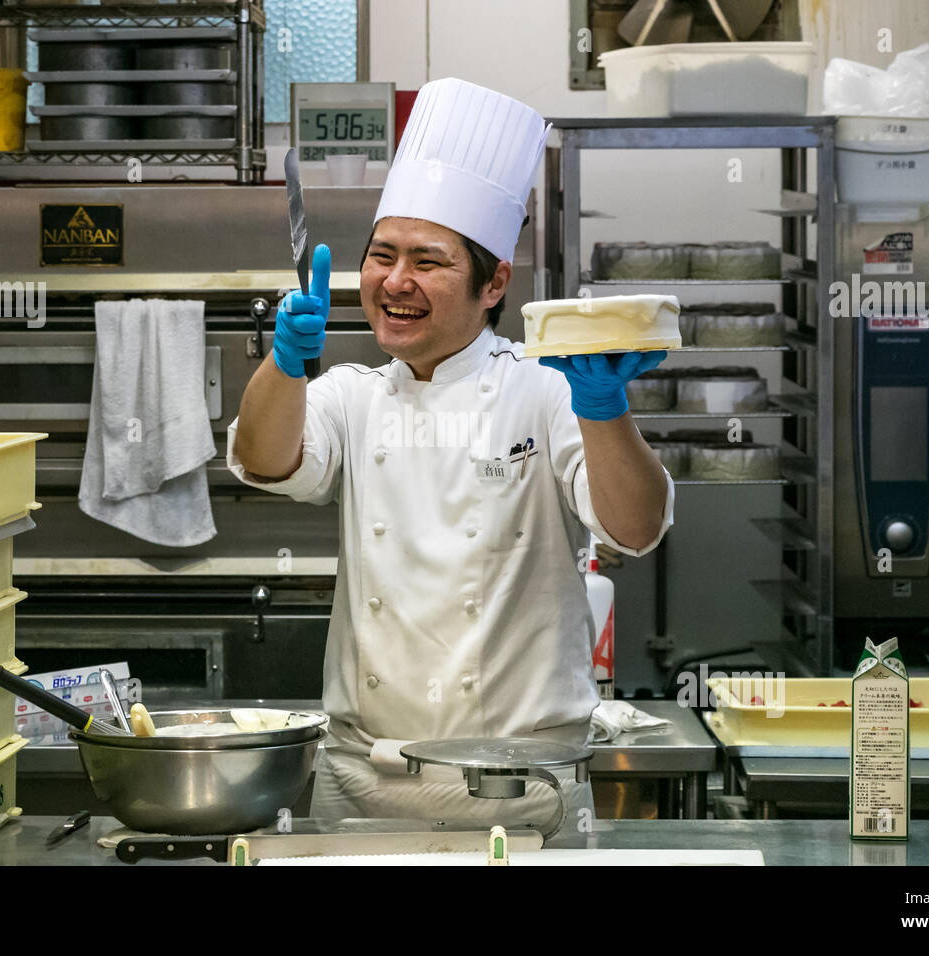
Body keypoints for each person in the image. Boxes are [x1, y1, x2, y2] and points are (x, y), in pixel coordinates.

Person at [228, 78, 673, 833]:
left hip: (522, 789)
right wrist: (284, 365)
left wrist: (605, 410)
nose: (394, 282)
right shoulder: (351, 394)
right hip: (363, 784)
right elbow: (266, 459)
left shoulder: (547, 391)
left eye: (426, 262)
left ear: (494, 280)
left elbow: (635, 527)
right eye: (381, 256)